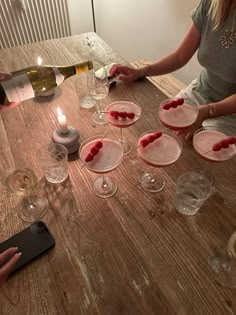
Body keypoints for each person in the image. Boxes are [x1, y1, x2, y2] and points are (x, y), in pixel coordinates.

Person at [110, 0, 236, 139]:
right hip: (199, 92)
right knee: (162, 130)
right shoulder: (210, 4)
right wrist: (140, 71)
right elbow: (180, 57)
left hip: (230, 113)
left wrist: (209, 111)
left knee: (202, 148)